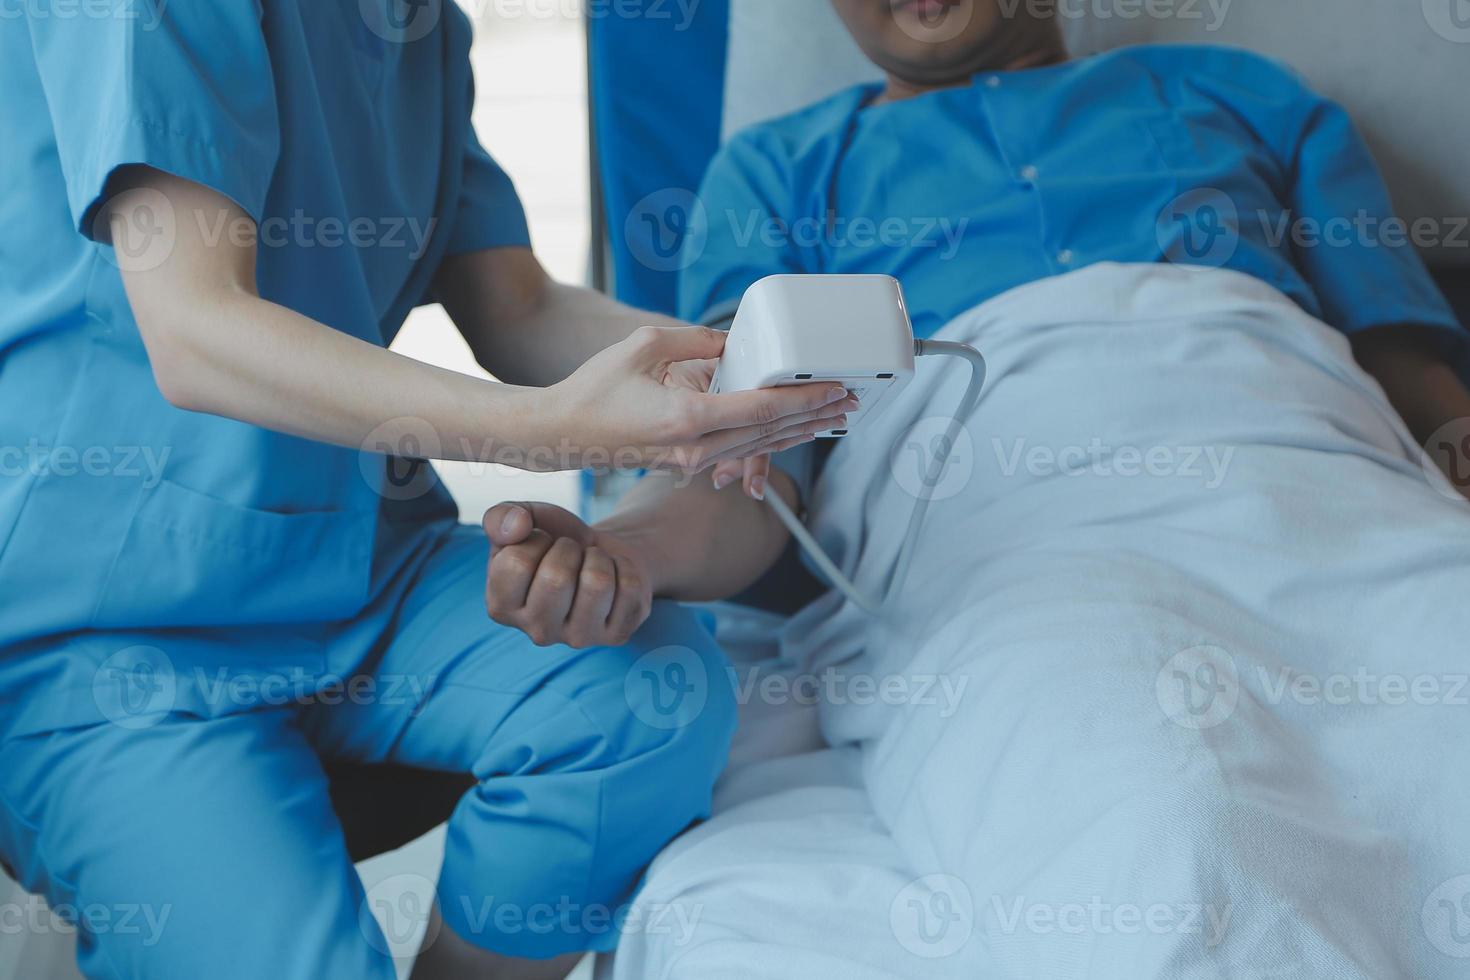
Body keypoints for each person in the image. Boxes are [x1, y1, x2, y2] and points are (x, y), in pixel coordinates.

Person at [0, 4, 856, 979]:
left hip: (355, 572)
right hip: (102, 624)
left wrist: (723, 378)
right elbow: (195, 332)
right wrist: (555, 429)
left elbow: (522, 310)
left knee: (651, 691)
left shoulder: (419, 32)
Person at [481, 0, 1470, 641]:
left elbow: (1401, 356)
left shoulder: (1250, 101)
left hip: (1305, 471)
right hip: (1001, 543)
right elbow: (750, 460)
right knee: (1132, 749)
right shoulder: (773, 170)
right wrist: (631, 551)